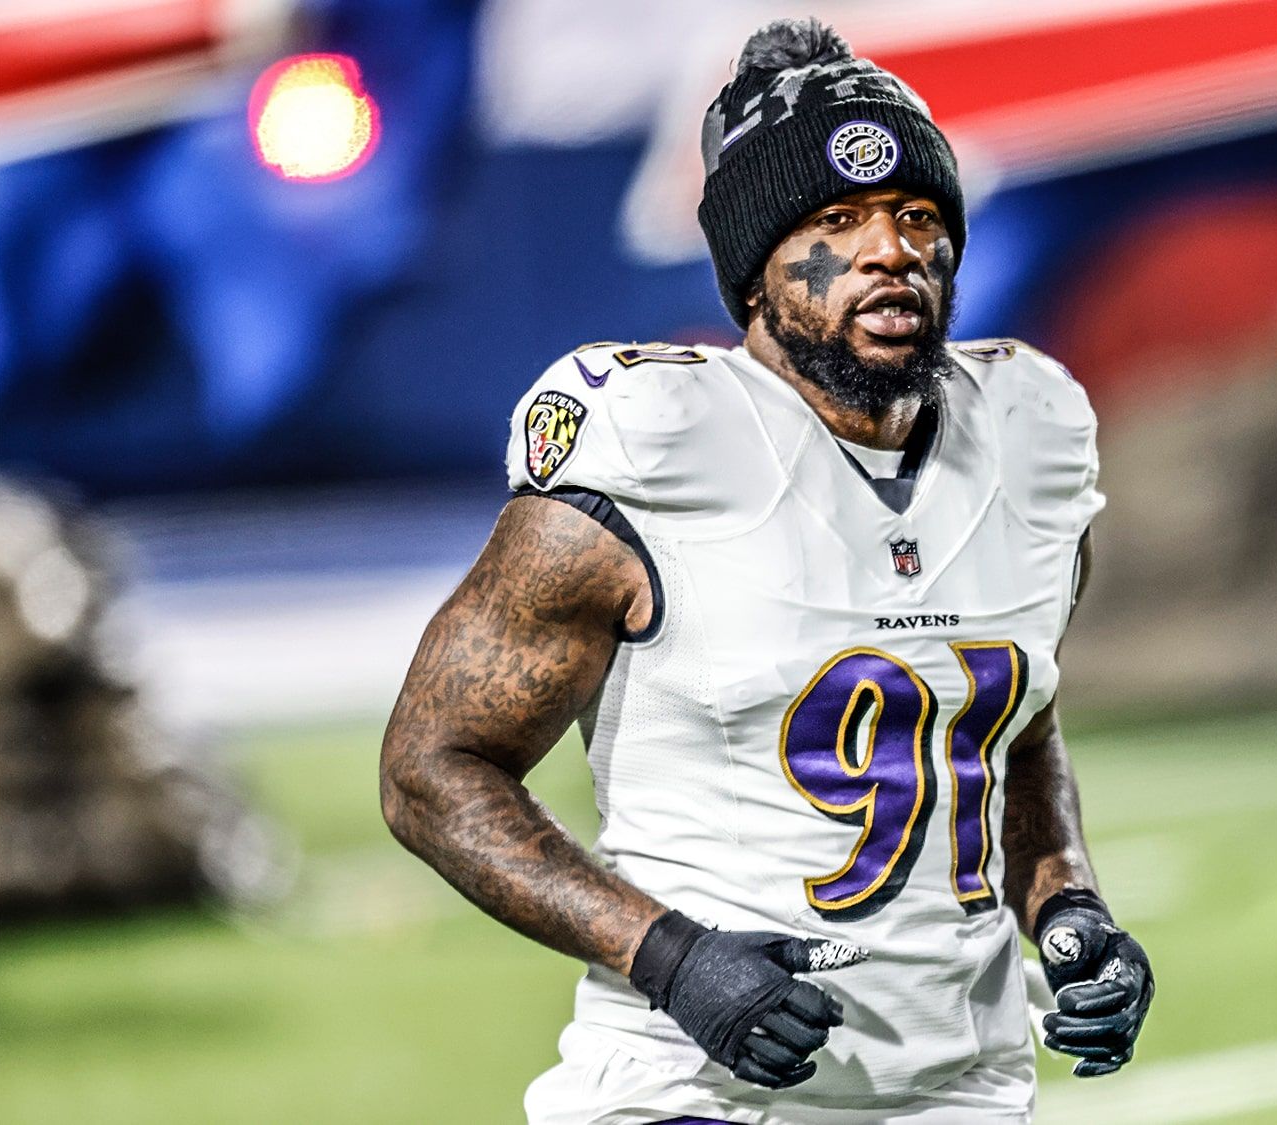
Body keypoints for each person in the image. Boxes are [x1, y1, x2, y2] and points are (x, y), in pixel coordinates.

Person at [379, 18, 1154, 1124]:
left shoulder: (1030, 431)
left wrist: (1067, 906)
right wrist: (670, 959)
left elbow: (1008, 720)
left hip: (956, 1093)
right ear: (754, 267)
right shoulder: (652, 440)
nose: (889, 250)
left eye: (918, 216)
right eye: (835, 222)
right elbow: (431, 767)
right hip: (694, 1094)